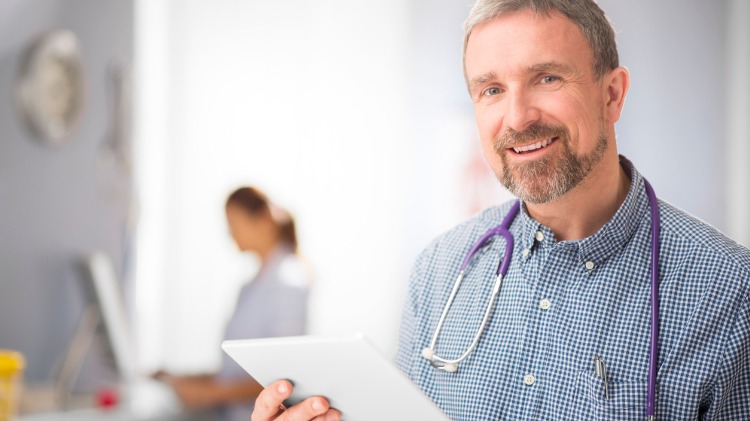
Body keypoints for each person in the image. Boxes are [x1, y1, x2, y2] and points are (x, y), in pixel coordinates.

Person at [251, 0, 750, 419]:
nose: (517, 117)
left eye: (548, 78)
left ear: (612, 94)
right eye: (491, 90)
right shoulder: (438, 271)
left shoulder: (731, 293)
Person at [157, 187, 310, 421]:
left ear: (263, 221)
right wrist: (188, 380)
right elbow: (237, 369)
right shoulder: (252, 285)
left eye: (233, 223)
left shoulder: (287, 281)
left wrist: (207, 393)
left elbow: (284, 378)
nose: (230, 232)